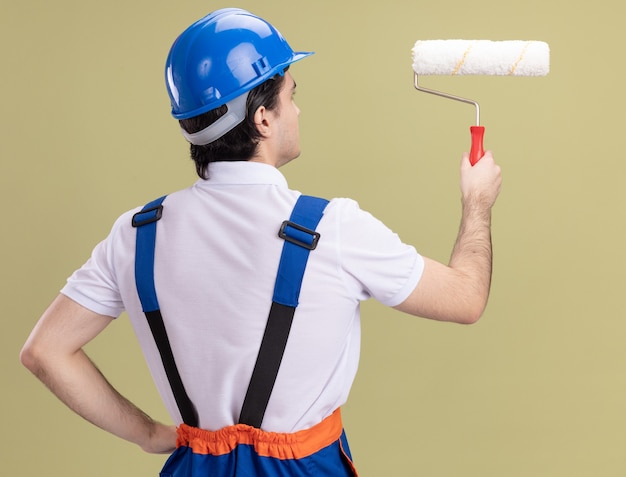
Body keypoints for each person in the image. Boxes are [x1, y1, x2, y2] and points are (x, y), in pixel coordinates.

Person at [20, 7, 502, 477]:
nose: (298, 109)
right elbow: (465, 298)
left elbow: (45, 351)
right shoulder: (333, 228)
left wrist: (149, 434)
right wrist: (477, 202)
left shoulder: (134, 234)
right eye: (292, 95)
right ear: (264, 119)